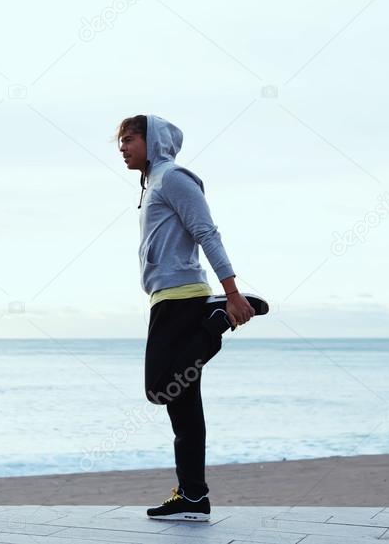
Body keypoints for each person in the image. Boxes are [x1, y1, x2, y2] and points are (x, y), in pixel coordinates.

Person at [115, 113, 267, 521]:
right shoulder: (154, 186)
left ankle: (217, 320)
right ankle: (194, 496)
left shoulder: (173, 178)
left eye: (129, 140)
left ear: (153, 140)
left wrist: (232, 294)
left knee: (159, 388)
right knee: (183, 407)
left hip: (183, 299)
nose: (122, 149)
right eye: (120, 143)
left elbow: (207, 232)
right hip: (167, 297)